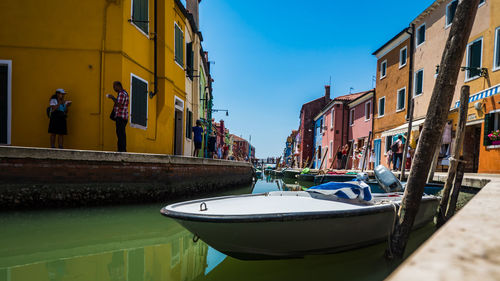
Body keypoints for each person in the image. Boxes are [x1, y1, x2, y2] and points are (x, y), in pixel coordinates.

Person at [107, 81, 129, 152]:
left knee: (120, 134)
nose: (114, 88)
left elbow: (119, 105)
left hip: (121, 117)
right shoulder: (124, 93)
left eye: (114, 86)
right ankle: (121, 150)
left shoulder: (122, 94)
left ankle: (122, 150)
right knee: (120, 134)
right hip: (123, 117)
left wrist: (112, 98)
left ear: (118, 86)